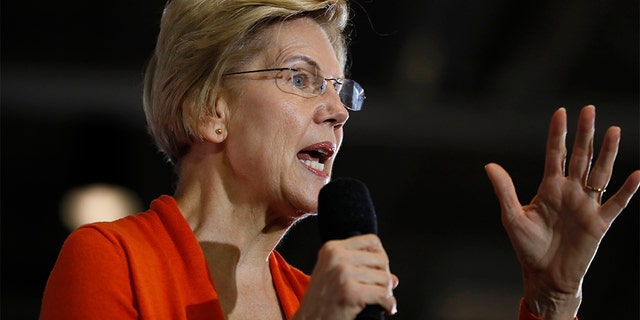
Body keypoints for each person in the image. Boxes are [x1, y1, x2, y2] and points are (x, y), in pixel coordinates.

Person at [40, 0, 640, 319]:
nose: (338, 111)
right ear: (208, 108)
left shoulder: (319, 297)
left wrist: (552, 301)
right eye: (302, 80)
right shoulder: (110, 263)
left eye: (341, 89)